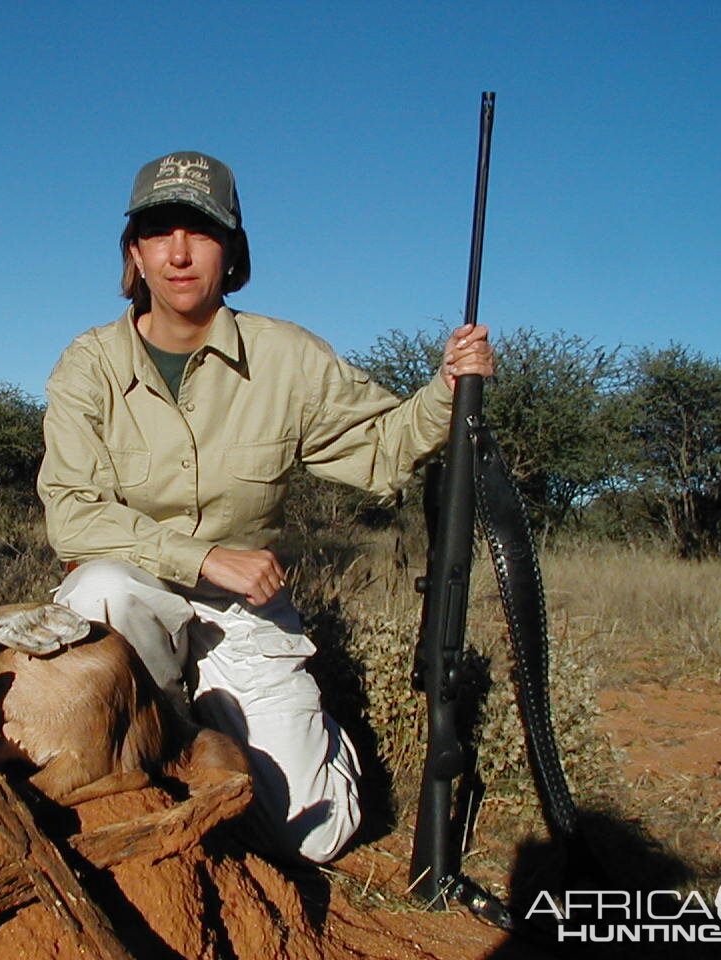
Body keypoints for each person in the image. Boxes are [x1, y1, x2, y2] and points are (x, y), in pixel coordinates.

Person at [37, 150, 493, 863]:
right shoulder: (89, 363)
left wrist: (446, 389)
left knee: (312, 836)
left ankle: (294, 728)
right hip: (135, 600)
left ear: (232, 251)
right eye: (160, 231)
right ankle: (155, 737)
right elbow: (71, 513)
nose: (180, 253)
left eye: (202, 231)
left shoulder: (287, 355)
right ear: (135, 252)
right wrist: (205, 558)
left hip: (241, 616)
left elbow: (379, 448)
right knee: (100, 585)